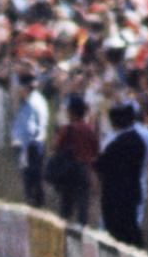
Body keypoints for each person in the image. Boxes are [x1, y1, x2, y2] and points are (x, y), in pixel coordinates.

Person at [95, 101, 148, 247]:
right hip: (132, 192)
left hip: (115, 196)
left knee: (117, 233)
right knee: (131, 227)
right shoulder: (138, 140)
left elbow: (101, 165)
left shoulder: (116, 143)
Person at [48, 93, 98, 224]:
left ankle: (65, 232)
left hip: (69, 171)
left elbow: (55, 146)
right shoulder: (89, 130)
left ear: (71, 112)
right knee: (83, 206)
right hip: (84, 171)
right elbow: (95, 150)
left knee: (66, 206)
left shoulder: (67, 129)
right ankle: (82, 230)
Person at [10, 73, 49, 207]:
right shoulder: (38, 99)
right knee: (36, 182)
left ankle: (33, 209)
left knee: (31, 185)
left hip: (30, 147)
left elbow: (29, 129)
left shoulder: (30, 104)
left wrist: (22, 150)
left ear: (24, 88)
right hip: (37, 145)